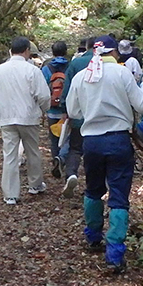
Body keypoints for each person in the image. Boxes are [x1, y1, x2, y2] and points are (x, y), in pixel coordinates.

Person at [66, 35, 143, 274]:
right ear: (114, 53)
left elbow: (72, 110)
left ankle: (93, 237)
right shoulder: (123, 73)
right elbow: (142, 105)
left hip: (91, 142)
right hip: (118, 141)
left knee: (93, 189)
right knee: (119, 196)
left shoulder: (83, 76)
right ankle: (114, 253)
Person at [0, 36, 51, 205]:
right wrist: (43, 110)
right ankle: (35, 185)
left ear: (11, 51)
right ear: (27, 51)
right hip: (28, 116)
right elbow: (44, 96)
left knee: (10, 154)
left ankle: (10, 194)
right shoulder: (32, 70)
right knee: (32, 151)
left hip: (6, 117)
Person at [59, 36, 96, 198]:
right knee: (93, 151)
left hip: (78, 115)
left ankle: (71, 174)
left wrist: (64, 109)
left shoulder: (75, 64)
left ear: (86, 47)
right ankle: (93, 182)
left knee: (75, 148)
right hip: (98, 116)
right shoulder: (106, 65)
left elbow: (66, 91)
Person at [42, 40, 69, 178]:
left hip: (52, 109)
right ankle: (64, 160)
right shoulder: (70, 66)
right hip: (67, 110)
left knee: (54, 137)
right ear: (66, 51)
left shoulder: (46, 68)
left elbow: (42, 88)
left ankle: (55, 160)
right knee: (68, 137)